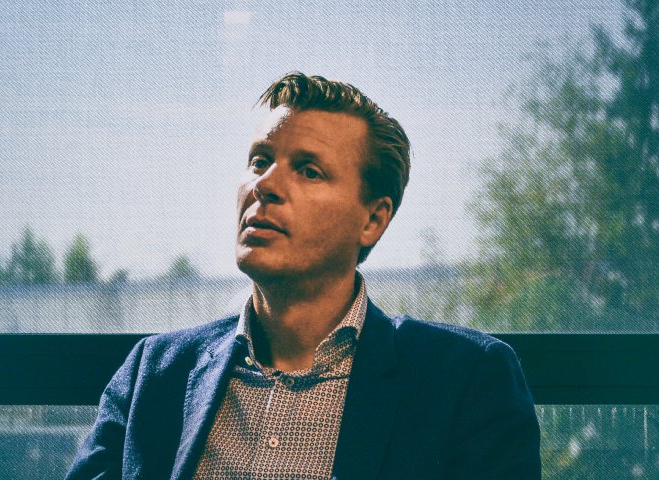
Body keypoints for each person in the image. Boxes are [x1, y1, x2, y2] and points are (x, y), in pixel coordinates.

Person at [65, 72, 541, 480]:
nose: (266, 184)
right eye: (259, 161)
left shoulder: (467, 380)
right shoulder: (154, 373)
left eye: (309, 171)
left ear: (372, 220)